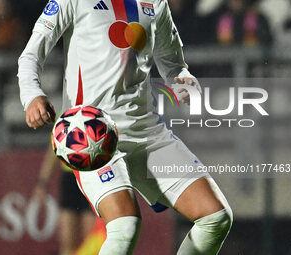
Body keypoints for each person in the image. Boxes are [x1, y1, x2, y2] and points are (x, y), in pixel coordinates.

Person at [18, 0, 233, 254]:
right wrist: (32, 94)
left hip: (148, 132)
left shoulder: (156, 3)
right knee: (125, 226)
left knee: (215, 217)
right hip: (92, 135)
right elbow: (31, 54)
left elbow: (173, 64)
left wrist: (183, 79)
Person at [32, 146, 105, 255]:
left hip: (92, 176)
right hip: (70, 177)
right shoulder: (62, 128)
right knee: (67, 238)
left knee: (91, 237)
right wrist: (43, 182)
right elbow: (54, 149)